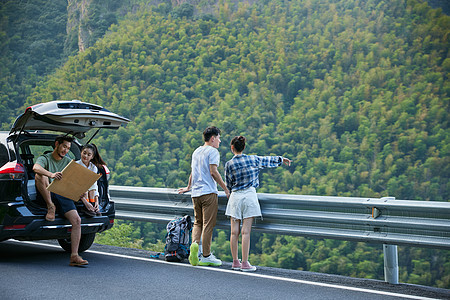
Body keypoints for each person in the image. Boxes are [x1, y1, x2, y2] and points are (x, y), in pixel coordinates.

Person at [224, 136, 292, 272]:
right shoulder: (252, 159)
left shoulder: (229, 164)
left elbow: (228, 184)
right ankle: (245, 263)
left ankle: (235, 262)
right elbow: (267, 160)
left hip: (236, 197)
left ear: (232, 148)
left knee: (234, 232)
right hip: (249, 196)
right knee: (246, 232)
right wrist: (281, 159)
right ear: (244, 147)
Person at [178, 126, 230, 267]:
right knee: (208, 224)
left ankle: (195, 248)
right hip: (208, 193)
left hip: (195, 194)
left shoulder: (196, 151)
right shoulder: (213, 151)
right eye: (218, 138)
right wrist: (225, 188)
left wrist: (188, 187)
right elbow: (213, 172)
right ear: (212, 138)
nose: (219, 141)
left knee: (198, 223)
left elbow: (193, 172)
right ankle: (206, 255)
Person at [33, 135, 88, 267]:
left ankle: (74, 256)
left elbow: (74, 179)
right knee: (40, 174)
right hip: (47, 192)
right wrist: (51, 174)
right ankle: (50, 206)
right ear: (57, 144)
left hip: (62, 194)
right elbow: (35, 167)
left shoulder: (68, 161)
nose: (66, 150)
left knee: (77, 220)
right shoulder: (44, 158)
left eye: (68, 148)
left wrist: (81, 192)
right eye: (64, 146)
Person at [76, 144, 103, 216]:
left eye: (89, 154)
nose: (86, 156)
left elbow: (94, 184)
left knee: (92, 186)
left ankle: (93, 206)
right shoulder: (76, 165)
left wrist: (97, 202)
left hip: (89, 190)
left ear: (92, 157)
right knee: (85, 187)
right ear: (81, 152)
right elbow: (75, 183)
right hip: (78, 191)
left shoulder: (93, 167)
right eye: (84, 153)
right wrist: (86, 203)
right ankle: (87, 207)